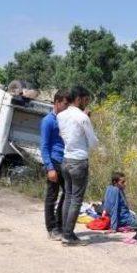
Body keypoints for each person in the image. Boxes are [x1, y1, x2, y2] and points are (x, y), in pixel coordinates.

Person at [57, 85, 98, 246]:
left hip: (66, 159)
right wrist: (87, 118)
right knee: (76, 200)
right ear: (79, 98)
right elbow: (93, 142)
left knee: (67, 196)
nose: (86, 104)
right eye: (86, 100)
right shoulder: (82, 117)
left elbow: (62, 135)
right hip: (79, 161)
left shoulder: (61, 115)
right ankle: (68, 235)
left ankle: (64, 231)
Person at [40, 89, 69, 240]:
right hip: (54, 162)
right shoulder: (48, 121)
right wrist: (49, 167)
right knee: (52, 197)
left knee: (68, 194)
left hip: (66, 162)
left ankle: (60, 224)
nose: (66, 106)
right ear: (57, 103)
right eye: (65, 104)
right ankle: (51, 228)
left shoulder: (65, 120)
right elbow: (44, 146)